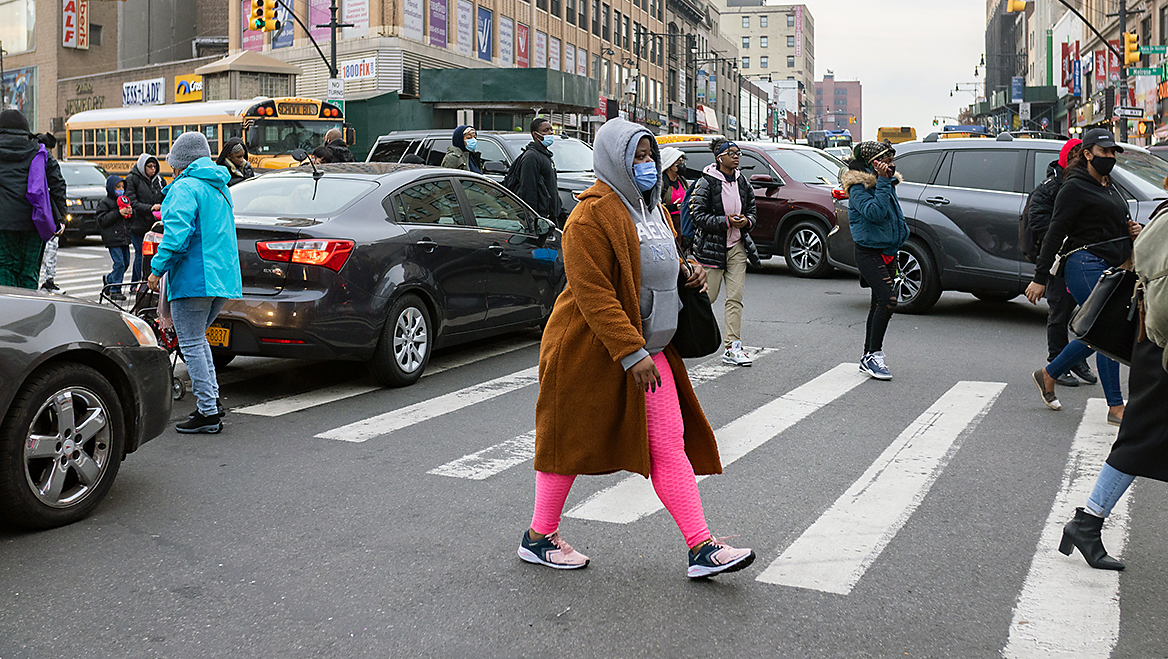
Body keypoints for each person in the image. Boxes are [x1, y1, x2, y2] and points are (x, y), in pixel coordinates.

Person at [518, 118, 756, 578]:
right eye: (638, 158)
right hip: (591, 351)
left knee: (670, 444)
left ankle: (701, 547)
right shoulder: (590, 215)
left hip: (652, 349)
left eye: (650, 156)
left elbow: (660, 257)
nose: (647, 166)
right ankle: (539, 536)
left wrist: (687, 269)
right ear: (615, 161)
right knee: (568, 442)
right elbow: (593, 293)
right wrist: (631, 352)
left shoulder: (653, 208)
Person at [1057, 198, 1165, 572]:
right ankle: (1086, 523)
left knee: (1139, 439)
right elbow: (1162, 306)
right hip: (1161, 353)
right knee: (1138, 439)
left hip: (1156, 348)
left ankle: (1086, 523)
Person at [1026, 128, 1140, 424]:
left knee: (1099, 331)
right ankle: (1116, 407)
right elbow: (1054, 233)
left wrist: (1131, 229)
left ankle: (1049, 374)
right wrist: (1040, 277)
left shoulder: (1108, 185)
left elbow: (1112, 221)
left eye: (1114, 152)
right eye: (1105, 152)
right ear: (1088, 153)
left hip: (1112, 266)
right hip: (1083, 263)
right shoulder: (1074, 187)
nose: (1111, 157)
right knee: (1108, 329)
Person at [147, 132, 242, 434]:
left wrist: (155, 270)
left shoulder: (184, 188)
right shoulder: (219, 188)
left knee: (191, 343)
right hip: (221, 280)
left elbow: (176, 238)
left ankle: (207, 412)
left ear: (179, 162)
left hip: (194, 279)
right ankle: (213, 400)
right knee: (199, 340)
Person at [1023, 139, 1096, 388]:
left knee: (1083, 311)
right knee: (1059, 311)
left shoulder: (1086, 183)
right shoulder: (1049, 188)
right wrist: (1068, 239)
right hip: (1057, 258)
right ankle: (1057, 361)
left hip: (1081, 258)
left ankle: (1074, 360)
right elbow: (1041, 224)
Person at [840, 140, 910, 380]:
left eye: (892, 161)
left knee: (877, 304)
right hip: (868, 251)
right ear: (874, 164)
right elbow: (876, 213)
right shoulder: (858, 187)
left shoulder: (887, 182)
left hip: (889, 249)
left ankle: (869, 356)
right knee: (889, 300)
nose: (891, 166)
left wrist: (903, 234)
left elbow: (893, 214)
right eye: (887, 161)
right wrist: (882, 182)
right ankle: (874, 355)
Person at [689, 137, 761, 367]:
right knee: (706, 298)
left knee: (735, 298)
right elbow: (697, 215)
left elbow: (752, 210)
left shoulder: (742, 181)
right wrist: (726, 221)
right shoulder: (707, 182)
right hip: (711, 250)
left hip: (737, 247)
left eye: (738, 152)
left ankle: (733, 347)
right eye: (731, 153)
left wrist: (746, 222)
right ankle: (685, 338)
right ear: (719, 157)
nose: (737, 156)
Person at [0, 109, 66, 290]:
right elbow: (58, 183)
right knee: (29, 270)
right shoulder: (39, 150)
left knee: (5, 268)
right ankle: (28, 310)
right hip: (35, 220)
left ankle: (9, 313)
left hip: (3, 223)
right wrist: (60, 216)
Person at [509, 118, 564, 222]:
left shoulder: (545, 155)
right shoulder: (532, 157)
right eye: (545, 130)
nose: (550, 133)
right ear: (535, 134)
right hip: (540, 218)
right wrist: (533, 218)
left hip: (551, 216)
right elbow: (529, 189)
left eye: (551, 129)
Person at [124, 152, 166, 286]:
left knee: (151, 255)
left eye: (154, 166)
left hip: (154, 224)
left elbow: (165, 197)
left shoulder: (159, 181)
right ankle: (136, 283)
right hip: (138, 224)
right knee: (140, 255)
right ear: (143, 166)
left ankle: (143, 281)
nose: (152, 169)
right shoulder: (132, 179)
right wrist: (150, 208)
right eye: (149, 166)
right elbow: (131, 201)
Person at [95, 175, 132, 300]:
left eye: (122, 187)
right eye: (118, 187)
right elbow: (102, 220)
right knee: (119, 263)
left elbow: (130, 219)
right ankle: (115, 289)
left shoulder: (125, 201)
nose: (120, 189)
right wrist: (118, 213)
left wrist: (131, 212)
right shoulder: (105, 202)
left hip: (124, 237)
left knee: (126, 263)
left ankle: (109, 279)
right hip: (112, 238)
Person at [659, 146, 687, 227]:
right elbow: (655, 209)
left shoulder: (682, 181)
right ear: (669, 165)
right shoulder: (662, 184)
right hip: (669, 224)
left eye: (682, 162)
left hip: (683, 223)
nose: (681, 165)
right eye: (678, 162)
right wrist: (674, 207)